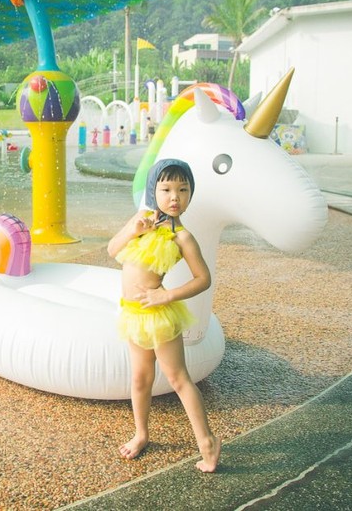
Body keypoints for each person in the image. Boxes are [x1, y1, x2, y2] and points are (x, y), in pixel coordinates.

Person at [106, 158, 220, 471]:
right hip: (133, 313)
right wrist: (132, 229)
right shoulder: (141, 221)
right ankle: (141, 434)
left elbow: (203, 279)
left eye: (183, 190)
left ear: (190, 195)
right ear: (153, 190)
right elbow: (112, 250)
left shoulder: (182, 237)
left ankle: (207, 442)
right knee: (140, 378)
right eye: (167, 188)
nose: (175, 197)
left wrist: (166, 295)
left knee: (177, 378)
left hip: (158, 314)